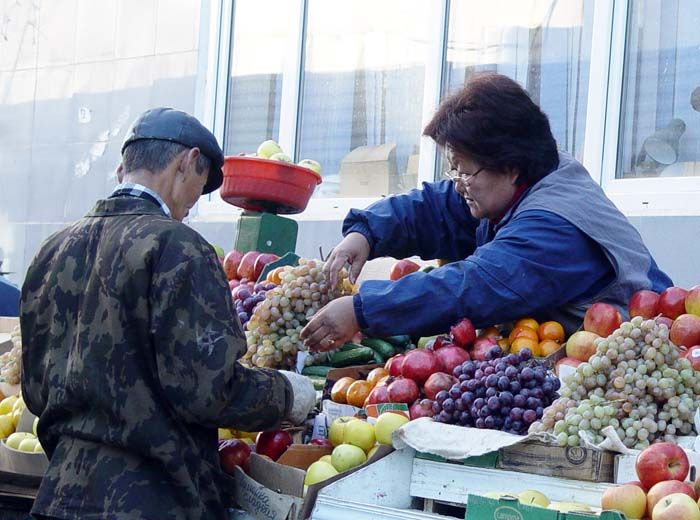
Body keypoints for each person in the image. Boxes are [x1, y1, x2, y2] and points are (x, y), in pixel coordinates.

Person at [20, 107, 315, 520]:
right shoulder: (178, 247)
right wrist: (288, 393)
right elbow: (211, 390)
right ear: (187, 162)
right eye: (200, 186)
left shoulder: (51, 251)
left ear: (124, 166)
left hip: (57, 500)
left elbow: (35, 391)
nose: (193, 206)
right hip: (155, 502)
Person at [300, 73, 672, 352]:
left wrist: (362, 310)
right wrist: (365, 233)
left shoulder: (555, 228)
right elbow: (436, 207)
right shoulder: (517, 181)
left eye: (465, 169)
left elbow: (474, 286)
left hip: (631, 366)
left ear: (509, 166)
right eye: (453, 167)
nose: (458, 181)